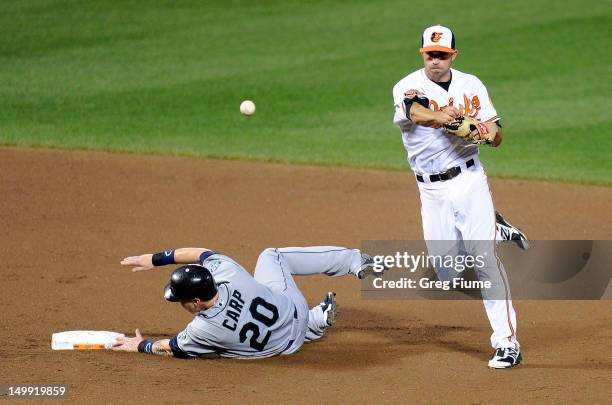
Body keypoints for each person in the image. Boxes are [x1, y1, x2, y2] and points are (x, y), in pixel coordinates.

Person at [392, 25, 522, 368]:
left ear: (453, 56)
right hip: (431, 189)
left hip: (469, 181)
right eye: (429, 54)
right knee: (447, 273)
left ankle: (506, 342)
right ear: (422, 54)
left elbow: (497, 133)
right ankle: (497, 227)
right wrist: (443, 119)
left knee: (485, 261)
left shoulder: (472, 84)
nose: (435, 61)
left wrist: (486, 131)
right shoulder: (409, 86)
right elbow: (414, 112)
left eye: (442, 55)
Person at [112, 246, 381, 359]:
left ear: (195, 301)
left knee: (229, 348)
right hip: (293, 312)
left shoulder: (201, 331)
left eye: (180, 299)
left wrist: (141, 345)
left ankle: (316, 322)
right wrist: (157, 259)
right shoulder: (228, 273)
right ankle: (353, 261)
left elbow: (170, 347)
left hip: (281, 350)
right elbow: (201, 253)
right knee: (271, 256)